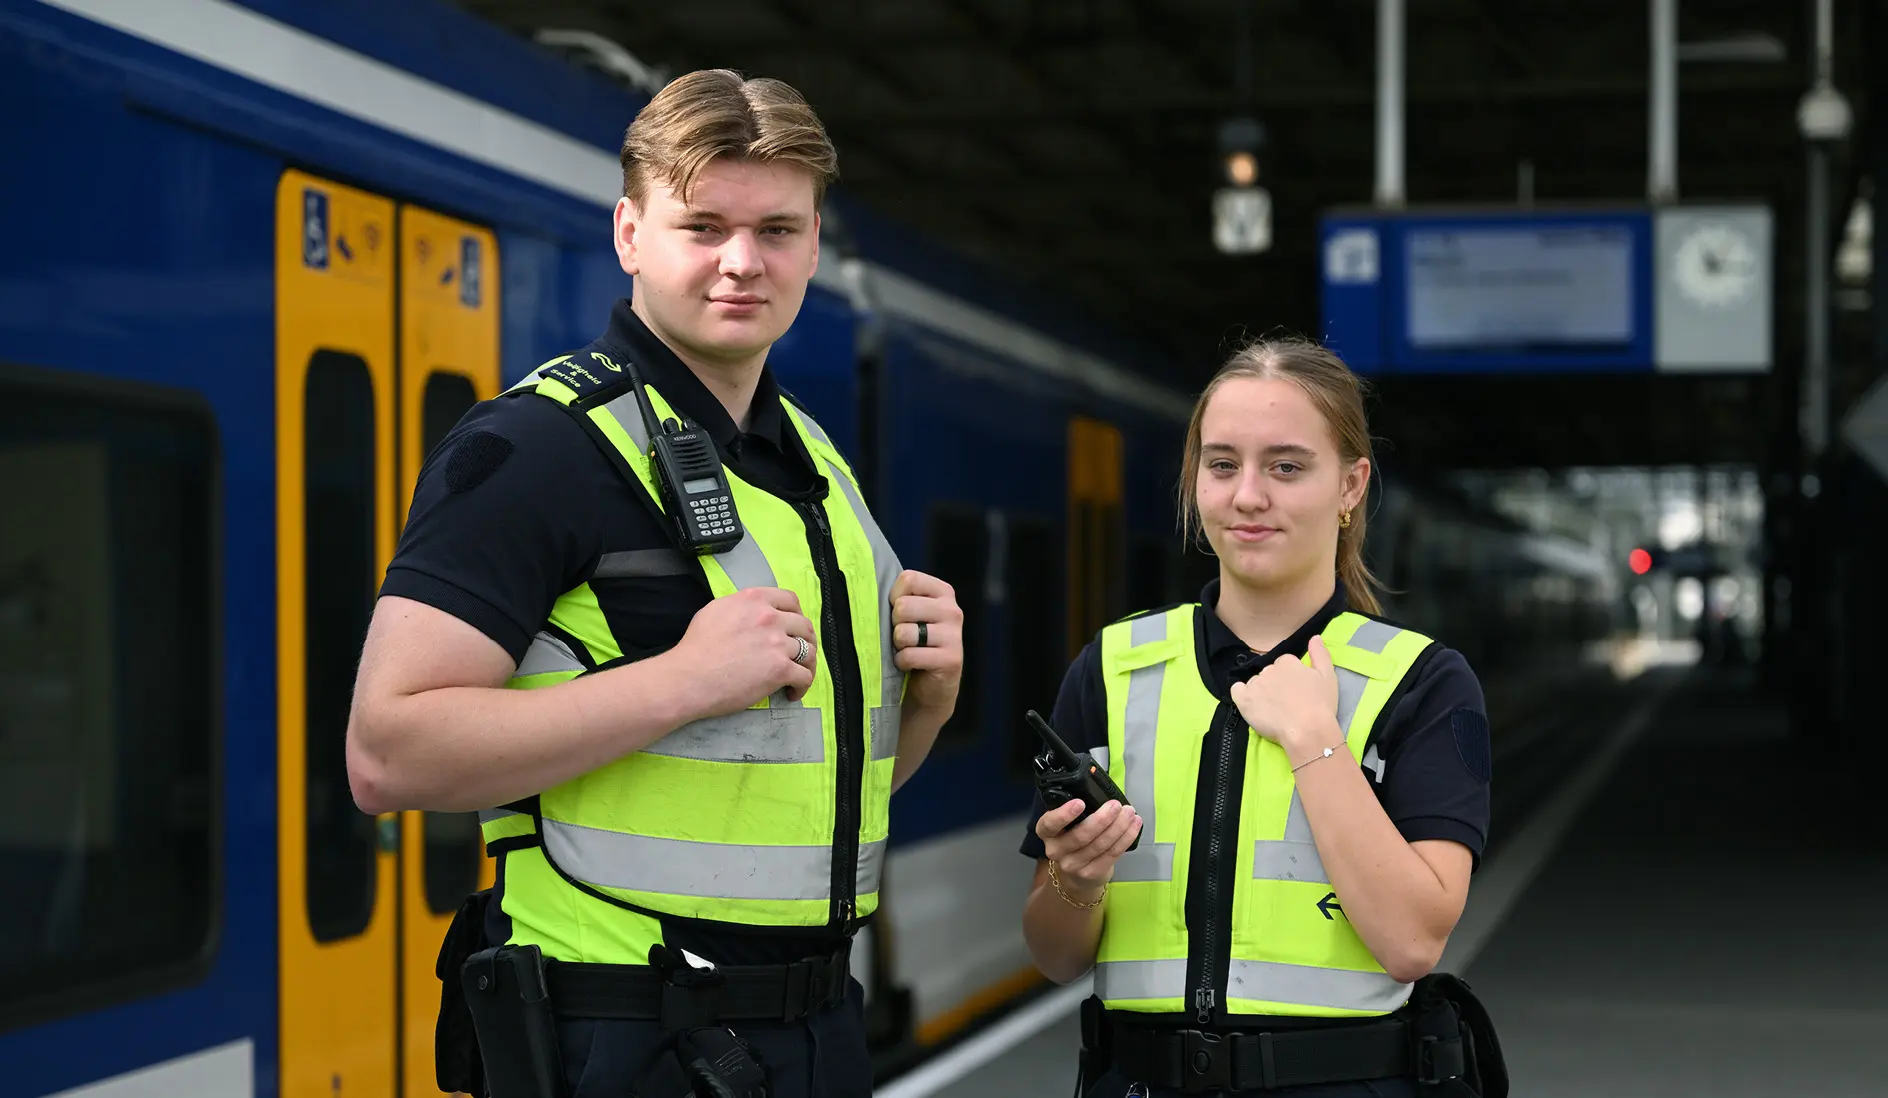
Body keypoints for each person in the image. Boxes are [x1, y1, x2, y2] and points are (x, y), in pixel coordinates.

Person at [345, 69, 964, 1098]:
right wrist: (683, 680)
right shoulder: (534, 447)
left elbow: (791, 809)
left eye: (776, 229)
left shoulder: (814, 469)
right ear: (630, 234)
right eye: (702, 225)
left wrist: (924, 708)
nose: (741, 261)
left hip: (810, 1037)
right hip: (620, 1040)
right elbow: (387, 752)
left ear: (813, 245)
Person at [1019, 338, 1502, 1097]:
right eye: (1221, 464)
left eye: (1286, 467)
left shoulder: (1422, 683)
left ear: (1351, 485)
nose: (1248, 495)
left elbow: (1413, 941)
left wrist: (1314, 740)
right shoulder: (1112, 669)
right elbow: (1054, 955)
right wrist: (1076, 878)